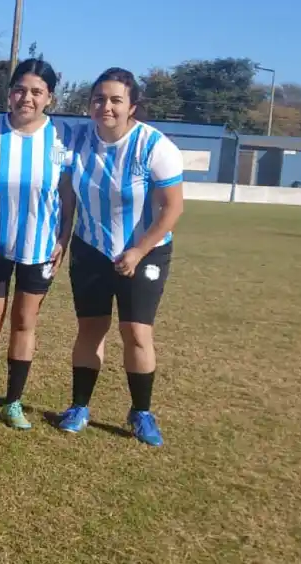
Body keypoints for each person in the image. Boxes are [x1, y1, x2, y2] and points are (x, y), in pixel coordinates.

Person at [56, 68, 184, 447]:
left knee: (136, 332)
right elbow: (67, 197)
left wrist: (139, 250)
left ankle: (141, 412)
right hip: (91, 249)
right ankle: (79, 407)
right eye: (99, 99)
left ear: (133, 107)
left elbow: (173, 208)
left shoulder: (154, 146)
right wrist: (64, 239)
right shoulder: (78, 139)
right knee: (91, 329)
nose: (106, 107)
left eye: (115, 100)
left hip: (145, 251)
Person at [0, 59, 76, 430]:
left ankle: (13, 401)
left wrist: (63, 238)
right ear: (10, 92)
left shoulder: (62, 137)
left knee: (24, 321)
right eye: (20, 89)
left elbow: (68, 196)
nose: (27, 98)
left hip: (39, 245)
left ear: (49, 97)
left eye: (37, 92)